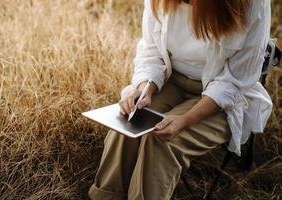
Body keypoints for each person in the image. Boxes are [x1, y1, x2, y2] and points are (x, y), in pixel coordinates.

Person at [88, 0, 273, 199]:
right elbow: (151, 49)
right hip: (171, 80)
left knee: (160, 139)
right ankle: (106, 196)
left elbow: (235, 82)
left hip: (223, 99)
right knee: (127, 124)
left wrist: (185, 120)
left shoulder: (251, 4)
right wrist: (144, 90)